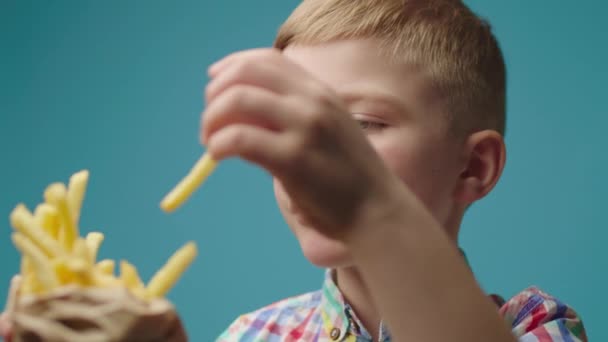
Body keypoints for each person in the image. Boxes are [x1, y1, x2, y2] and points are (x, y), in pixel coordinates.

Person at [1, 0, 588, 341]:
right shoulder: (250, 335)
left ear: (474, 167)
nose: (303, 159)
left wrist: (368, 206)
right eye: (293, 129)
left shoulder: (537, 325)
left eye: (356, 126)